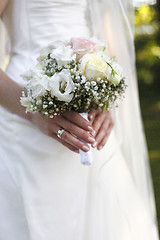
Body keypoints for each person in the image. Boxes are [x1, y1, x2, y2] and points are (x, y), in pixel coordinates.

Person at [0, 0, 159, 239]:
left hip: (91, 118)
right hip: (24, 117)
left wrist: (108, 101)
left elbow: (106, 38)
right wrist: (33, 112)